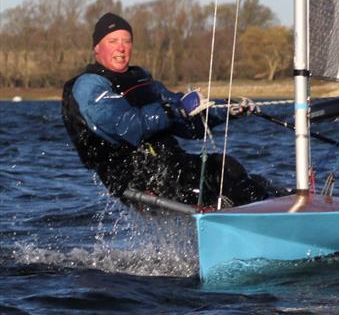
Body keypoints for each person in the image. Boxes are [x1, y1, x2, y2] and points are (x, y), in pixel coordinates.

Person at [62, 12, 283, 208]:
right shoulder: (89, 85)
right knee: (220, 180)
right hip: (136, 178)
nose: (121, 47)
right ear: (97, 48)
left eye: (126, 41)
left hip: (170, 165)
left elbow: (190, 127)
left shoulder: (141, 80)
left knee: (235, 172)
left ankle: (280, 205)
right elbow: (124, 126)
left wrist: (227, 110)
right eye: (113, 41)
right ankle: (265, 217)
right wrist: (171, 111)